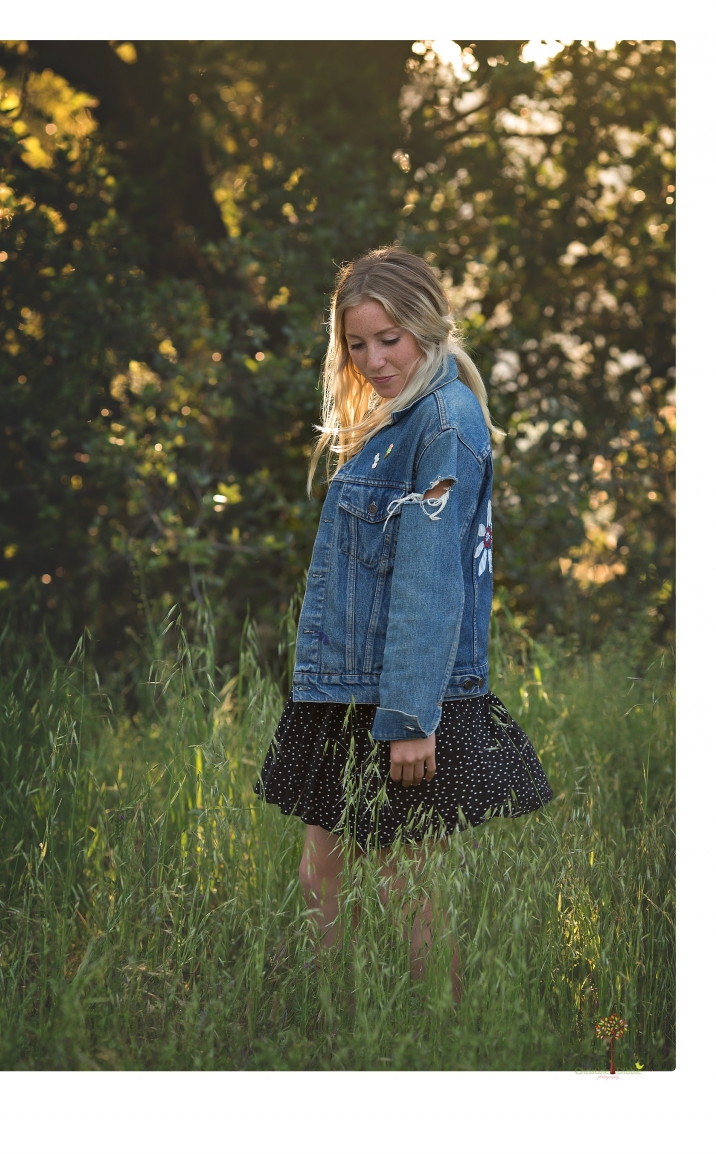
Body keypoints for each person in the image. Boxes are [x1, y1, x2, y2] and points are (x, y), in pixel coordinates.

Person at [255, 246, 553, 995]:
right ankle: (328, 1020)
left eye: (389, 339)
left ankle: (438, 1030)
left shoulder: (445, 423)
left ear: (427, 326)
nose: (373, 360)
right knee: (322, 873)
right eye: (357, 344)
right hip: (349, 686)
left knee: (404, 883)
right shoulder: (395, 419)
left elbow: (430, 580)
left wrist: (412, 718)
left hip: (402, 695)